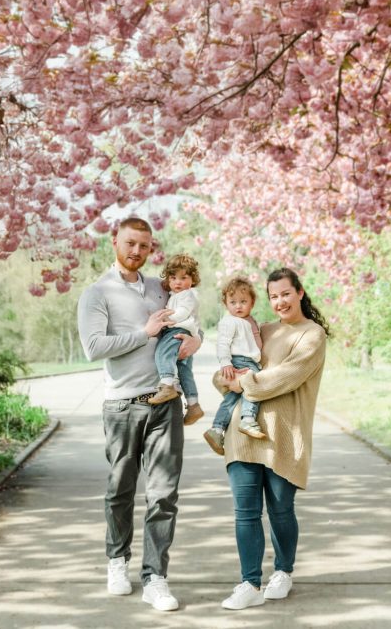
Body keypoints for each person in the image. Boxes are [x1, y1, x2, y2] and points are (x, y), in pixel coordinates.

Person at [76, 217, 201, 612]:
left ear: (151, 249)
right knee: (121, 490)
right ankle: (117, 561)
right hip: (122, 404)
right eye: (130, 243)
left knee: (164, 494)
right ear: (115, 242)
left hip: (164, 402)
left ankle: (155, 578)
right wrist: (144, 333)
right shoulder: (97, 292)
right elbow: (94, 347)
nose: (136, 251)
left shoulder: (160, 288)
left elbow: (185, 322)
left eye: (144, 246)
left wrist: (196, 340)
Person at [214, 267, 330, 611]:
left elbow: (285, 377)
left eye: (285, 294)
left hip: (282, 436)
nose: (279, 302)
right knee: (245, 512)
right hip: (242, 435)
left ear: (300, 292)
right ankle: (249, 582)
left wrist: (244, 382)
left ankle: (283, 571)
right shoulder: (258, 329)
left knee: (281, 510)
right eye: (273, 296)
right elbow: (226, 375)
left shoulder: (312, 335)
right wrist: (227, 379)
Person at [203, 276, 267, 456]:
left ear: (252, 302)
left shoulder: (250, 320)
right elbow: (222, 343)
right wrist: (226, 363)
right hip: (240, 362)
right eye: (233, 302)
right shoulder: (230, 321)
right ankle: (247, 418)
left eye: (243, 301)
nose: (238, 306)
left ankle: (216, 429)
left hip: (249, 361)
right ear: (225, 303)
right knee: (253, 388)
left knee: (231, 399)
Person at [147, 254, 205, 426]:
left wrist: (165, 319)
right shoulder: (176, 294)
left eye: (183, 278)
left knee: (162, 353)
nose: (178, 282)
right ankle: (194, 404)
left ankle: (167, 385)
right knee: (184, 369)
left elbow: (183, 312)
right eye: (173, 278)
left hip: (178, 329)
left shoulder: (188, 295)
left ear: (192, 279)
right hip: (184, 331)